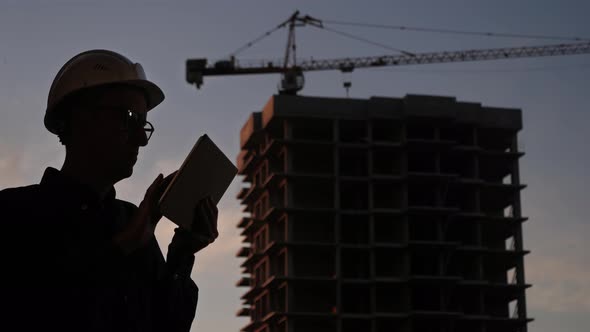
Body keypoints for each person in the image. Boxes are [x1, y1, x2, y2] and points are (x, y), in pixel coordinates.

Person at [0, 50, 218, 332]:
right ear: (77, 119)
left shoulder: (132, 221)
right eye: (129, 118)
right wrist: (124, 246)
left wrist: (182, 254)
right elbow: (41, 310)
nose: (142, 139)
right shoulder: (14, 215)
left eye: (144, 124)